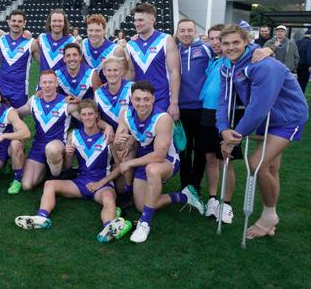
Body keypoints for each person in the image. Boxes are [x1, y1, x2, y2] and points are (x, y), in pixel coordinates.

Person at [216, 24, 308, 240]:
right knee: (271, 166)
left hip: (287, 118)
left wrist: (234, 138)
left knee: (257, 164)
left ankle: (269, 216)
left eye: (236, 42)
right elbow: (223, 100)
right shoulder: (227, 66)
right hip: (267, 119)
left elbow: (259, 107)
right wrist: (223, 130)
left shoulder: (264, 65)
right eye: (226, 43)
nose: (230, 47)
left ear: (247, 41)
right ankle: (271, 215)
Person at [15, 99, 132, 243]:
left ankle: (109, 227)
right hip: (80, 183)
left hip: (102, 185)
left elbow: (119, 167)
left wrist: (99, 183)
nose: (87, 117)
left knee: (109, 198)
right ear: (80, 117)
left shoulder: (108, 137)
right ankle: (42, 217)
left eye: (90, 114)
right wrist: (69, 155)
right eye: (84, 114)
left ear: (96, 115)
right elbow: (67, 168)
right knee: (49, 184)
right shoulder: (74, 135)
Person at [114, 80, 204, 243]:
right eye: (138, 99)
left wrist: (130, 163)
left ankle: (145, 223)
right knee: (141, 204)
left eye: (146, 99)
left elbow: (159, 156)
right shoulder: (125, 113)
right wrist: (118, 141)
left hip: (166, 160)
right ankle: (184, 197)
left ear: (153, 99)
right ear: (131, 99)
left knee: (153, 170)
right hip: (144, 158)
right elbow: (119, 145)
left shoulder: (163, 118)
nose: (142, 104)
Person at [198, 24, 241, 223]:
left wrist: (269, 48)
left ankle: (227, 204)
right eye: (212, 39)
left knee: (226, 159)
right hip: (207, 113)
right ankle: (213, 199)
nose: (215, 43)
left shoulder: (235, 60)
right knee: (210, 158)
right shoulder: (213, 61)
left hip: (227, 114)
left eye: (219, 39)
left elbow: (251, 49)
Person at [16, 70, 81, 190]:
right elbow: (16, 113)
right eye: (44, 82)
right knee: (26, 185)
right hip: (38, 147)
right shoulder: (34, 101)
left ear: (56, 84)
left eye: (51, 82)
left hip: (57, 146)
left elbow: (88, 117)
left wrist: (80, 102)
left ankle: (56, 177)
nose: (47, 86)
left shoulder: (67, 103)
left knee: (51, 149)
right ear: (40, 84)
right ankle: (48, 166)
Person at [122, 3, 181, 120]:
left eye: (140, 20)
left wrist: (174, 103)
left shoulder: (166, 40)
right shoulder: (130, 44)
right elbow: (131, 73)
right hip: (139, 101)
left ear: (152, 19)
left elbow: (175, 72)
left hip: (161, 99)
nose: (136, 23)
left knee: (160, 136)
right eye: (135, 20)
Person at [175, 19, 213, 192]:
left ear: (195, 31)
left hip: (202, 108)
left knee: (200, 149)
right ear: (177, 32)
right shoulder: (174, 51)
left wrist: (266, 48)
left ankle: (196, 184)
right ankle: (185, 184)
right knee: (184, 148)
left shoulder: (206, 48)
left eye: (189, 30)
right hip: (181, 108)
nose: (186, 34)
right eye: (182, 30)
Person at [94, 56, 134, 204]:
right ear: (103, 72)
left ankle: (129, 189)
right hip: (110, 138)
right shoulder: (98, 93)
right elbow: (97, 119)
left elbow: (138, 116)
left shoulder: (131, 88)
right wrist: (107, 126)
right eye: (108, 70)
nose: (112, 73)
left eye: (115, 70)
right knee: (118, 187)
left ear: (122, 71)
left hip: (129, 137)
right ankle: (119, 174)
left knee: (123, 188)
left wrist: (131, 136)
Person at [0, 10, 33, 109]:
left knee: (18, 121)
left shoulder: (31, 43)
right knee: (1, 121)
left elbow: (43, 63)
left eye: (20, 21)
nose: (16, 24)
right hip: (2, 89)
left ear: (24, 23)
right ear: (9, 22)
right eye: (14, 21)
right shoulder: (1, 39)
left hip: (20, 91)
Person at [31, 9, 76, 73]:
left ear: (64, 23)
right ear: (49, 23)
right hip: (44, 82)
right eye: (54, 21)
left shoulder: (72, 41)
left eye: (60, 21)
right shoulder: (41, 38)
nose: (57, 24)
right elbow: (30, 47)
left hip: (62, 82)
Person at [82, 15, 117, 84]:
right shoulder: (83, 44)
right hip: (86, 92)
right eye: (90, 30)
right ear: (87, 31)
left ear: (104, 31)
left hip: (106, 91)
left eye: (97, 30)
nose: (94, 34)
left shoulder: (115, 49)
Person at [296, 28, 311, 93]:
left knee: (297, 82)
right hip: (305, 66)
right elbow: (309, 54)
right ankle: (301, 97)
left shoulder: (297, 42)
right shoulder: (310, 43)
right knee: (303, 83)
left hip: (297, 65)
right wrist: (310, 65)